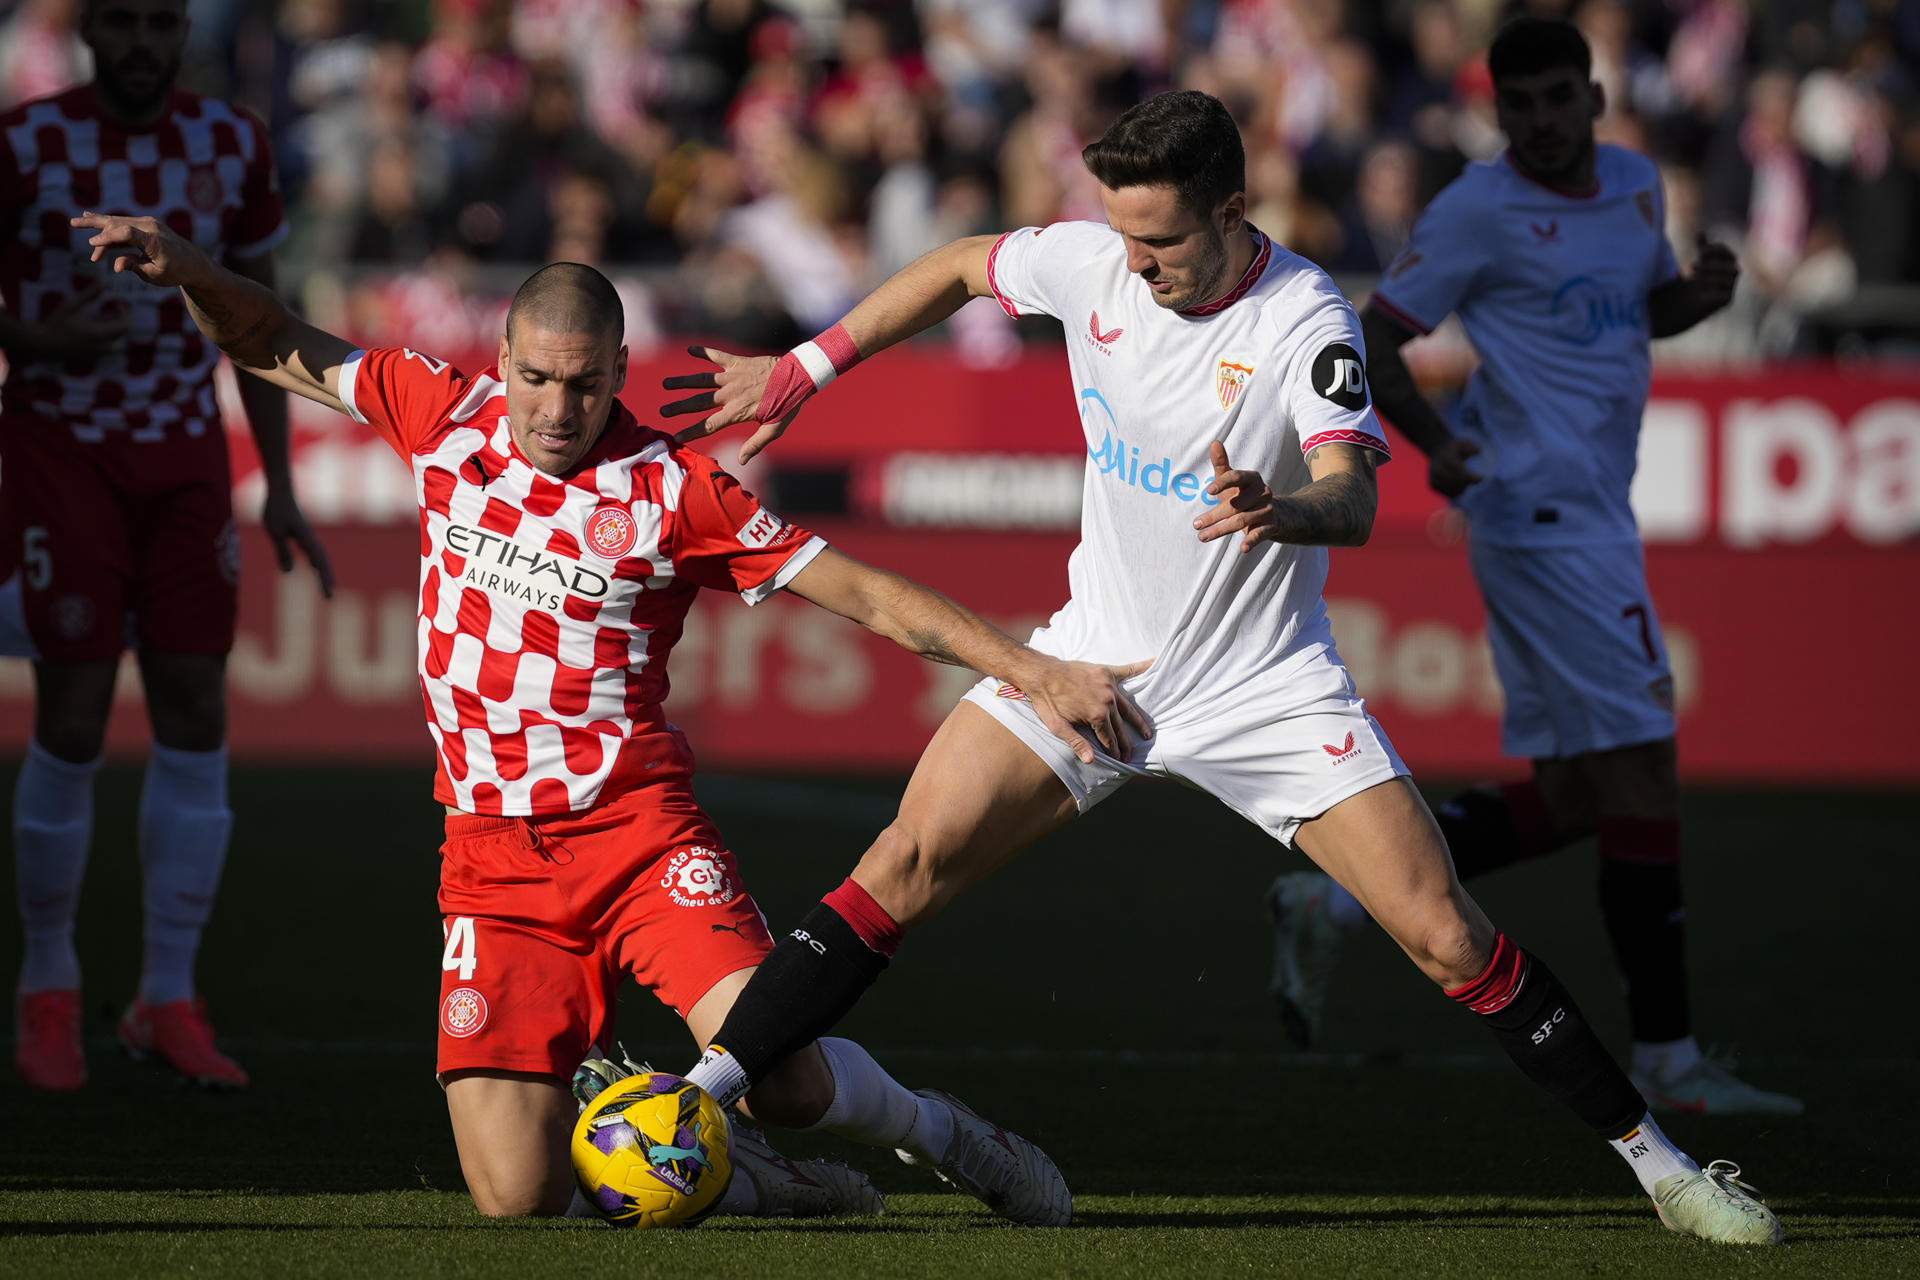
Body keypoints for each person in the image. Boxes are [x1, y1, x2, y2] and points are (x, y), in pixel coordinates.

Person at [660, 89, 1784, 1245]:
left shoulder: (1306, 318)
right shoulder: (1095, 262)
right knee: (902, 857)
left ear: (1232, 209)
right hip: (1089, 660)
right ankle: (692, 1106)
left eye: (1160, 240)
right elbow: (958, 265)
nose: (1134, 264)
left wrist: (1280, 508)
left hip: (1262, 688)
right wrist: (809, 365)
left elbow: (1353, 492)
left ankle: (1669, 1171)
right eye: (1121, 233)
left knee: (1446, 931)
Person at [76, 208, 1142, 1222]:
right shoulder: (437, 413)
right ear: (500, 361)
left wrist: (1032, 669)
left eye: (582, 384)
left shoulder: (674, 490)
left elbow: (865, 594)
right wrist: (198, 274)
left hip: (638, 839)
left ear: (617, 375)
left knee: (784, 1075)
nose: (555, 406)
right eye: (535, 377)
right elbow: (270, 340)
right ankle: (758, 1184)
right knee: (515, 1195)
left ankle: (945, 1133)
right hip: (491, 855)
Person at [1267, 16, 1802, 1120]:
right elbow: (1378, 334)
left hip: (1595, 506)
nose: (1546, 121)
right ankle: (1669, 1055)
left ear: (1595, 101)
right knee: (1645, 777)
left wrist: (1687, 303)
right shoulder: (1476, 209)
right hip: (1538, 510)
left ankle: (1340, 902)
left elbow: (1620, 315)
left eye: (1563, 98)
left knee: (1577, 796)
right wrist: (1436, 443)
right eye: (1524, 105)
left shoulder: (1638, 188)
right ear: (1499, 112)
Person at [1, 0, 332, 1093]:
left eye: (160, 23)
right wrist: (34, 338)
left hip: (188, 460)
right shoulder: (25, 140)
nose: (141, 43)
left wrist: (279, 484)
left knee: (195, 706)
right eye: (122, 24)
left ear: (180, 32)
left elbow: (259, 320)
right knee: (77, 707)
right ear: (91, 30)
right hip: (60, 450)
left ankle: (167, 997)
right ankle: (47, 987)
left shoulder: (230, 141)